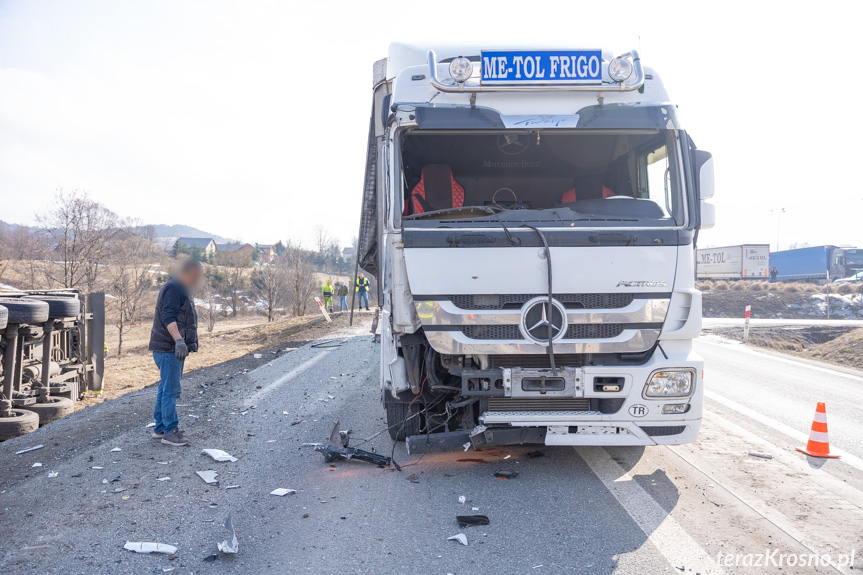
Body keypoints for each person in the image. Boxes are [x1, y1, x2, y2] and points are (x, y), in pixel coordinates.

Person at [148, 258, 203, 447]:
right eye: (197, 276)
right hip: (169, 349)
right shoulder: (174, 288)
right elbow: (168, 317)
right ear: (189, 273)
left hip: (168, 349)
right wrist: (179, 341)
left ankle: (160, 428)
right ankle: (170, 432)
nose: (198, 280)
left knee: (165, 388)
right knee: (171, 390)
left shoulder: (180, 288)